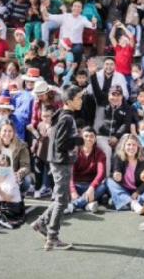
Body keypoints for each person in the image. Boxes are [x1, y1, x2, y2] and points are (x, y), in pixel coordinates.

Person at [31, 86, 83, 251]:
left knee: (62, 199)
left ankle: (40, 223)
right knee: (62, 201)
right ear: (69, 101)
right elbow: (61, 143)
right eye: (78, 98)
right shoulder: (66, 118)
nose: (81, 100)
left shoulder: (62, 115)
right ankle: (52, 237)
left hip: (58, 162)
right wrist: (78, 141)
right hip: (61, 162)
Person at [106, 133, 144, 212]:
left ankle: (122, 201)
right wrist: (116, 175)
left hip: (138, 190)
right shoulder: (118, 156)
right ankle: (132, 203)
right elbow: (116, 170)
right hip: (123, 189)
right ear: (124, 146)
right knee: (108, 181)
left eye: (134, 145)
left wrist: (138, 192)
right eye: (128, 145)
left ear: (138, 147)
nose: (131, 147)